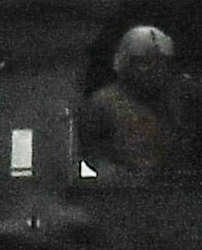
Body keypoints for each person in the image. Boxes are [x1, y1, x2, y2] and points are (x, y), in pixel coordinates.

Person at [83, 23, 195, 177]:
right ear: (126, 63)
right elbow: (89, 151)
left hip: (167, 183)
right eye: (145, 63)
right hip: (121, 185)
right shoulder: (103, 102)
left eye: (160, 63)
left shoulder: (175, 101)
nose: (153, 71)